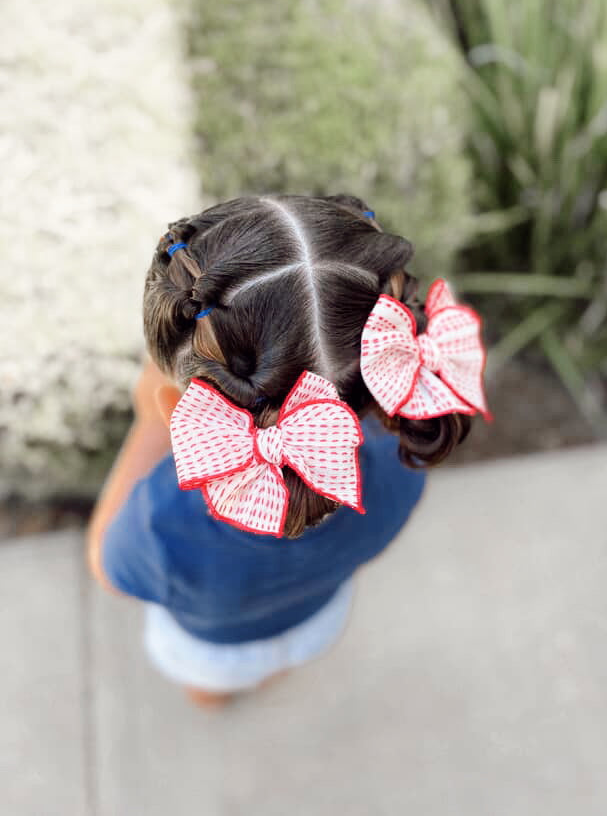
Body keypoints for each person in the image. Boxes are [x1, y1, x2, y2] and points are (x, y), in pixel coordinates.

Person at [87, 193, 489, 707]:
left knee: (208, 688)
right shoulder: (404, 458)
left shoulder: (163, 523)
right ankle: (268, 672)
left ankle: (213, 699)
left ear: (175, 407)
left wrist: (148, 425)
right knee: (279, 661)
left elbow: (106, 566)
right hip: (317, 623)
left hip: (215, 651)